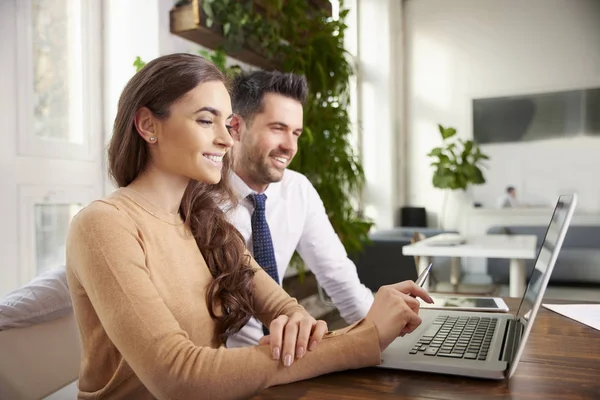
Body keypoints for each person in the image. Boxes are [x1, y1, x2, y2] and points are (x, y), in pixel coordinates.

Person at [65, 53, 432, 400]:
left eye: (226, 124)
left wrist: (314, 327)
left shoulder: (204, 222)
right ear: (148, 125)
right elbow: (177, 376)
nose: (226, 139)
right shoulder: (103, 225)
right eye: (206, 120)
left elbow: (287, 310)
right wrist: (365, 337)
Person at [225, 70, 375, 349]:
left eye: (296, 133)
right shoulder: (198, 194)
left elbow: (338, 275)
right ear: (235, 127)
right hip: (221, 365)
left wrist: (383, 334)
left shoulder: (298, 189)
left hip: (284, 355)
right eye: (277, 128)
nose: (289, 147)